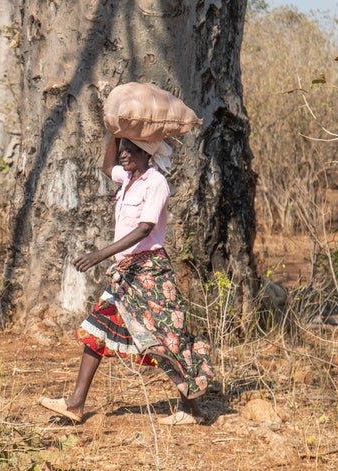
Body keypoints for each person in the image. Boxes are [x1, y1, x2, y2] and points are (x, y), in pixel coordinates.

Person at [38, 134, 215, 425]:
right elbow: (107, 167)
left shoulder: (156, 183)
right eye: (123, 150)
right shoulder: (129, 178)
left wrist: (101, 253)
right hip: (126, 273)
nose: (124, 155)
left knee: (169, 338)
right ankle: (75, 404)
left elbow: (146, 228)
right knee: (97, 328)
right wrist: (116, 132)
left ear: (148, 153)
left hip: (150, 272)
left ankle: (192, 408)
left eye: (131, 150)